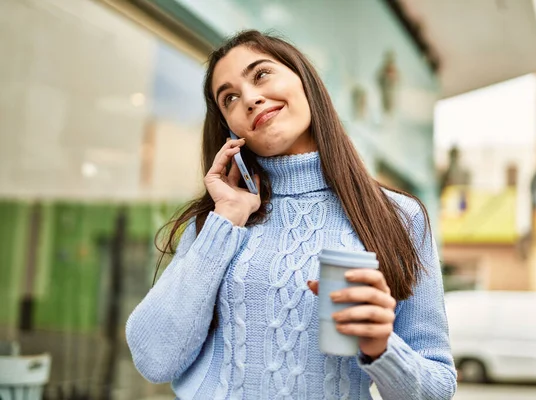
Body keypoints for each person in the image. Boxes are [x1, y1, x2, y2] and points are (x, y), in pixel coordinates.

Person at [126, 30, 457, 400]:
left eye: (261, 74)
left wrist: (382, 346)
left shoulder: (398, 217)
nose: (249, 98)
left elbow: (437, 389)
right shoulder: (218, 220)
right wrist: (226, 221)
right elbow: (153, 359)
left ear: (305, 81)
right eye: (230, 98)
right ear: (229, 128)